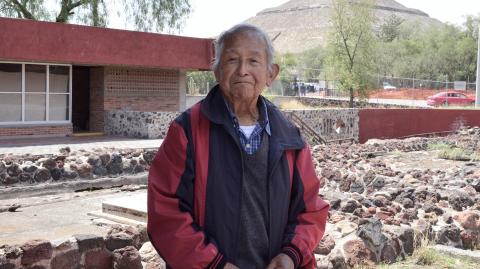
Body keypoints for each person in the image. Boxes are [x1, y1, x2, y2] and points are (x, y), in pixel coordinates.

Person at [147, 23, 329, 269]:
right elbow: (165, 212)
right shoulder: (187, 131)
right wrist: (214, 264)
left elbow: (309, 209)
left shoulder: (289, 137)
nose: (243, 70)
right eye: (232, 60)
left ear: (271, 74)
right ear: (217, 70)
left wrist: (291, 254)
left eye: (254, 61)